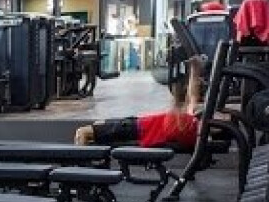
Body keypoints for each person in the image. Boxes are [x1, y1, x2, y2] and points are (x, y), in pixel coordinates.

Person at [75, 56, 204, 150]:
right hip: (135, 123)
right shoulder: (192, 121)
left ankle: (78, 169)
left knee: (83, 132)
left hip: (135, 130)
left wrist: (194, 70)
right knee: (97, 125)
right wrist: (195, 69)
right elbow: (192, 95)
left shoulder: (189, 128)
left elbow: (188, 98)